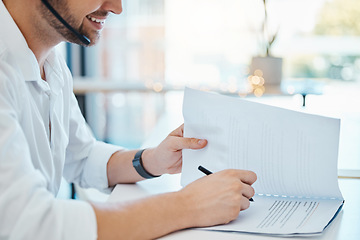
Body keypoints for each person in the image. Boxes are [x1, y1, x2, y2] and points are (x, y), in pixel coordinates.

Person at [0, 0, 257, 239]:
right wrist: (190, 205)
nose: (117, 7)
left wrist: (153, 160)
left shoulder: (52, 64)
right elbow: (29, 223)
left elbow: (82, 157)